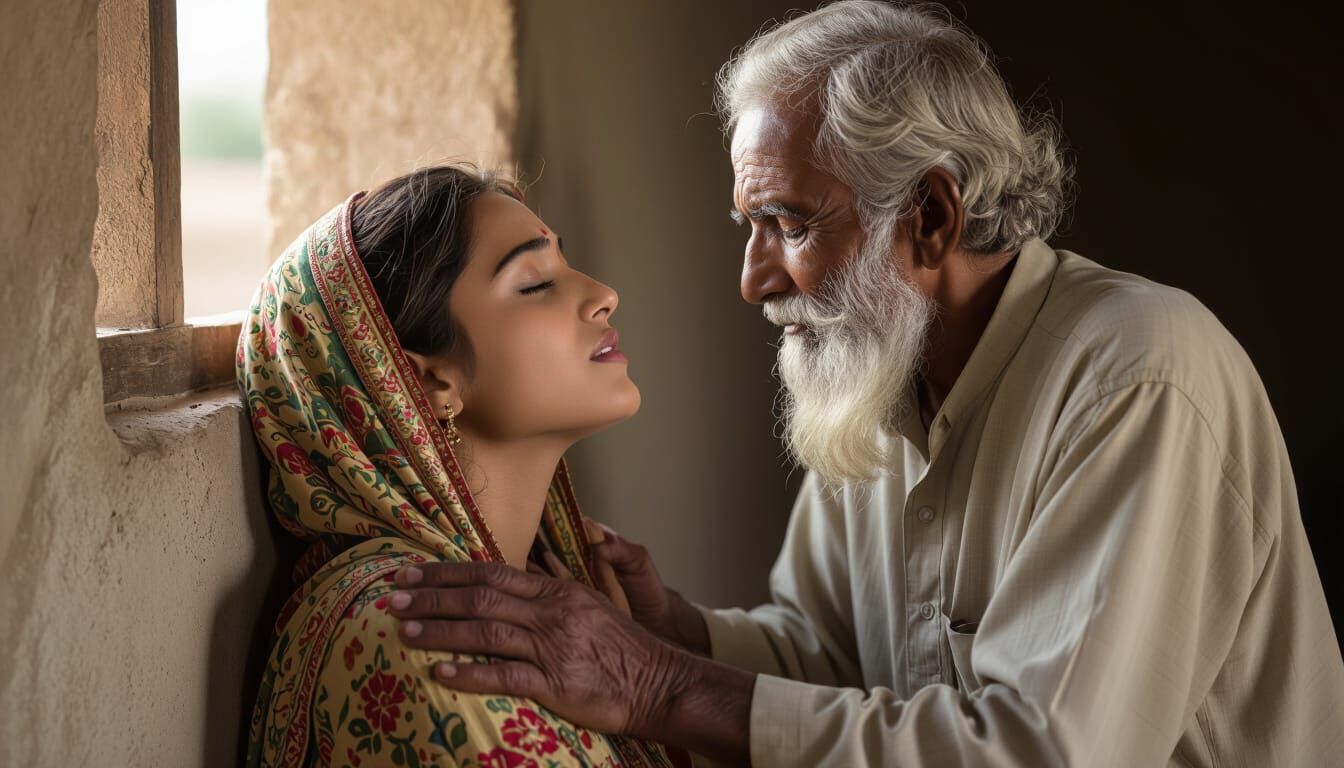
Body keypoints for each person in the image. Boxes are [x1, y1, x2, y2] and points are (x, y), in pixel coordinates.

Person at [380, 2, 1344, 766]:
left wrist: (656, 684)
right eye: (749, 226)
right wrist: (680, 633)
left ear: (930, 216)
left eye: (790, 224)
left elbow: (1043, 752)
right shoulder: (884, 367)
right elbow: (830, 658)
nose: (753, 280)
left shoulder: (1139, 374)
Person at [237, 164, 688, 767]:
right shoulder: (418, 636)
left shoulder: (555, 595)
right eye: (535, 284)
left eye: (564, 264)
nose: (604, 294)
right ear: (427, 382)